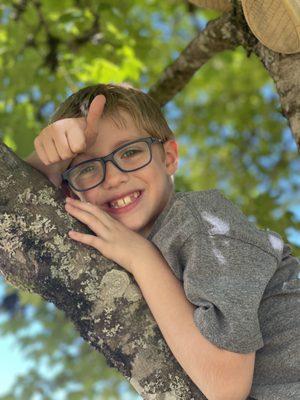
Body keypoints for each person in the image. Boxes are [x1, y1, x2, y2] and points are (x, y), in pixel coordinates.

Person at [25, 83, 300, 400]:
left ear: (169, 158)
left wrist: (141, 257)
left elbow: (227, 385)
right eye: (86, 167)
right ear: (71, 192)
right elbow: (21, 212)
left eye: (130, 152)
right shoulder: (115, 251)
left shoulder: (198, 220)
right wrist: (48, 160)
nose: (113, 177)